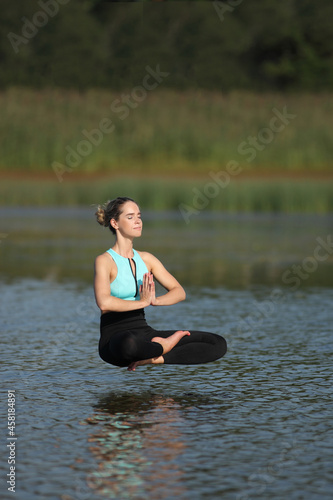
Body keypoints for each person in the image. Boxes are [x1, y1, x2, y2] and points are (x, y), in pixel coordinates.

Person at [94, 196, 227, 371]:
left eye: (139, 216)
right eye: (130, 217)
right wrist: (142, 302)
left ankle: (154, 358)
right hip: (115, 338)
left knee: (217, 343)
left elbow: (179, 292)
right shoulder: (105, 260)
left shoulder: (147, 259)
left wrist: (155, 300)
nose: (138, 221)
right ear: (115, 223)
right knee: (128, 344)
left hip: (144, 333)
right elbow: (104, 302)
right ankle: (162, 347)